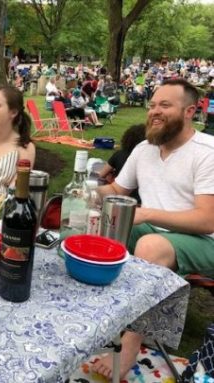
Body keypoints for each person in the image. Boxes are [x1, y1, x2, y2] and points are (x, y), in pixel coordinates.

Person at [92, 78, 214, 380]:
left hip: (203, 240)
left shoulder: (207, 151)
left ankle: (131, 344)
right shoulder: (145, 149)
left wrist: (146, 213)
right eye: (152, 105)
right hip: (153, 229)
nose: (154, 111)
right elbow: (118, 189)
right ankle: (97, 317)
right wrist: (87, 191)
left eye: (165, 105)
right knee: (95, 228)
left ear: (190, 111)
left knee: (150, 245)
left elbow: (206, 220)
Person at [97, 124, 146, 202]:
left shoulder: (119, 154)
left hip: (121, 200)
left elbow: (101, 175)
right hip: (138, 200)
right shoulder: (146, 159)